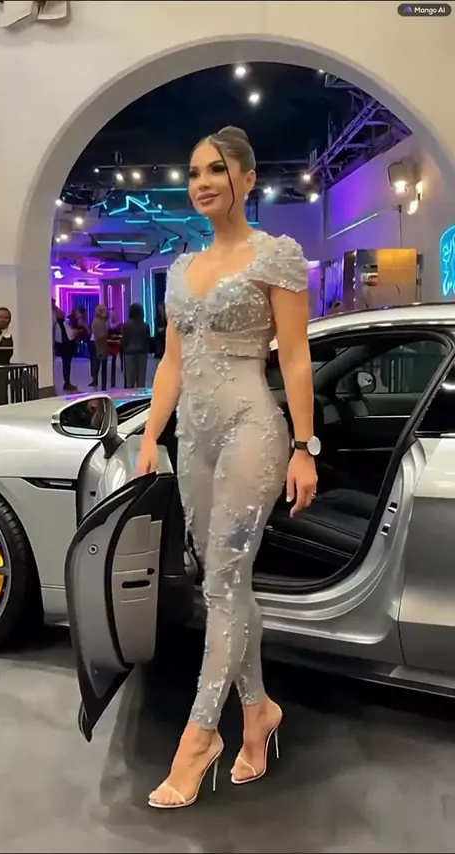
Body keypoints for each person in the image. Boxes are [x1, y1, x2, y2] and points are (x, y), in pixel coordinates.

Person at [135, 126, 317, 809]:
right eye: (194, 173)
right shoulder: (181, 268)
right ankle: (259, 713)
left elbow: (295, 356)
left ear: (246, 177)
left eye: (216, 169)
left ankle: (199, 736)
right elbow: (172, 364)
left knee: (223, 581)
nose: (203, 182)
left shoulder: (276, 256)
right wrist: (149, 436)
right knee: (225, 586)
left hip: (252, 430)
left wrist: (305, 447)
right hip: (194, 439)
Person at [121, 302, 151, 388]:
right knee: (141, 379)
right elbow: (147, 339)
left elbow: (124, 340)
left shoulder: (125, 326)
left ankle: (130, 395)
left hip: (129, 353)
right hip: (142, 353)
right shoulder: (145, 326)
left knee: (130, 380)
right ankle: (140, 395)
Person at [53, 310, 78, 392]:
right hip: (66, 347)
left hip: (65, 347)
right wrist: (74, 332)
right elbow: (67, 335)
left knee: (66, 365)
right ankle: (67, 383)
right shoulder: (61, 324)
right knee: (66, 365)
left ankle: (67, 382)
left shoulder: (61, 324)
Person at [90, 304, 109, 390]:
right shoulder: (98, 322)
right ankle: (97, 382)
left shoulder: (103, 320)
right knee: (97, 365)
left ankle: (102, 385)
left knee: (102, 366)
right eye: (104, 311)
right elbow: (100, 335)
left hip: (103, 345)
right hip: (98, 345)